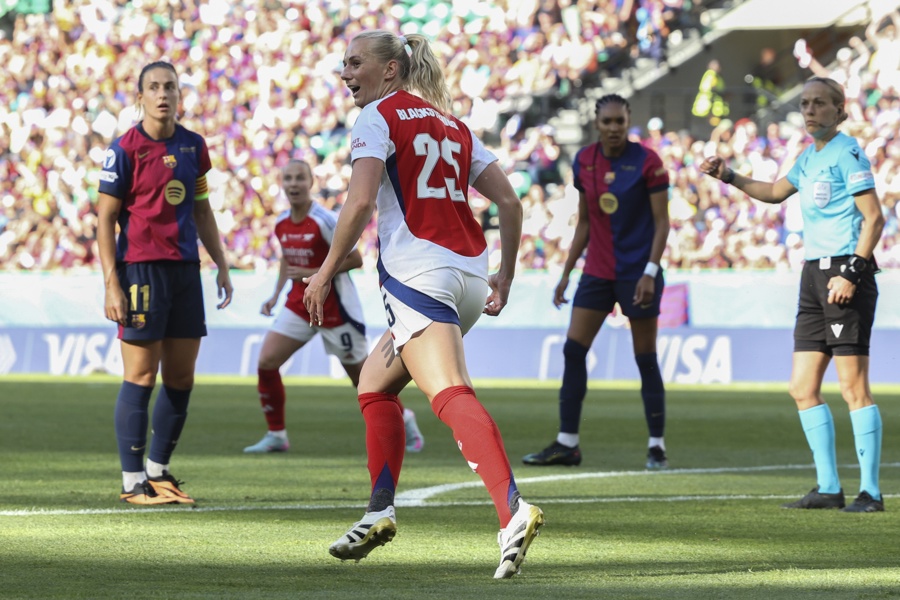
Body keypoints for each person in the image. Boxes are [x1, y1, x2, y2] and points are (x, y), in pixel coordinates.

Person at [302, 30, 544, 579]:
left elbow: (360, 200)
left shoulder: (377, 117)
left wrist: (324, 271)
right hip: (470, 278)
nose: (345, 74)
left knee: (449, 391)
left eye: (355, 63)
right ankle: (379, 511)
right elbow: (509, 202)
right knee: (374, 384)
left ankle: (512, 511)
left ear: (390, 70)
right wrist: (504, 276)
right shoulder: (452, 124)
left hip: (420, 274)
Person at [699, 76, 886, 512]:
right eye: (804, 104)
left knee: (853, 388)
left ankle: (871, 493)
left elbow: (874, 219)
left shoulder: (848, 153)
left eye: (819, 103)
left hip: (845, 273)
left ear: (840, 110)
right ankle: (828, 488)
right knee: (801, 387)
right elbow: (773, 193)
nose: (810, 110)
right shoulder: (808, 156)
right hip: (813, 276)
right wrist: (729, 176)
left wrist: (852, 273)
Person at [96, 61, 233, 505]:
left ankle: (157, 472)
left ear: (179, 95)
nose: (162, 94)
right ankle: (132, 481)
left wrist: (221, 263)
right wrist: (111, 283)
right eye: (153, 87)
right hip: (140, 270)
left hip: (185, 271)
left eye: (169, 87)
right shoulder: (124, 149)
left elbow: (202, 209)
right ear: (140, 97)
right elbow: (105, 219)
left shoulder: (194, 146)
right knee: (140, 375)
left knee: (181, 376)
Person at [522, 94, 671, 470]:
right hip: (598, 272)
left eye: (620, 121)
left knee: (645, 358)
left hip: (638, 274)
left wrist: (650, 272)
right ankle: (567, 443)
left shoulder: (649, 162)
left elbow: (662, 223)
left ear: (628, 121)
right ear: (597, 124)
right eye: (607, 121)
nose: (614, 128)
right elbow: (585, 221)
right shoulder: (585, 160)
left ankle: (656, 446)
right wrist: (566, 273)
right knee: (573, 351)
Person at [243, 159, 424, 454]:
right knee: (267, 361)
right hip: (299, 305)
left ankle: (406, 421)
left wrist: (316, 272)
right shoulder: (281, 223)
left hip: (336, 310)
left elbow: (356, 259)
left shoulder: (325, 220)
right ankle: (276, 434)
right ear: (282, 184)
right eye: (288, 179)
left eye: (299, 178)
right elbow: (288, 260)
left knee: (364, 381)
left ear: (310, 182)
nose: (293, 184)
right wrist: (275, 295)